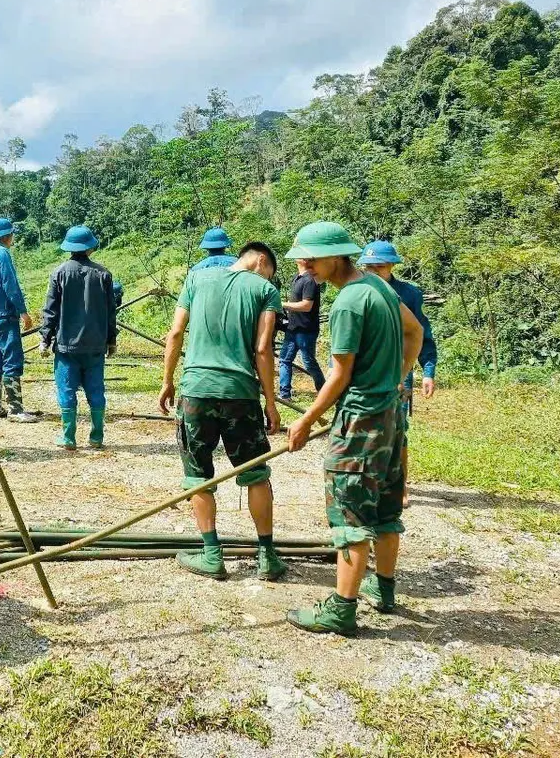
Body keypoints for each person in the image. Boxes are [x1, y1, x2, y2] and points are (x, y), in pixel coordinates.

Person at [282, 222, 424, 636]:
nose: (305, 265)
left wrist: (305, 419)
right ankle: (385, 590)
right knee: (385, 507)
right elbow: (415, 331)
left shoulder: (348, 302)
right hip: (391, 416)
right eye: (302, 258)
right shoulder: (379, 286)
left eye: (312, 258)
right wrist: (395, 378)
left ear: (337, 255)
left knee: (350, 511)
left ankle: (342, 611)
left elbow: (339, 375)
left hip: (361, 421)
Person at [158, 242, 287, 583]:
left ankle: (212, 555)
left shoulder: (196, 279)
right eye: (270, 272)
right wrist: (270, 402)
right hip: (240, 395)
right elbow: (262, 349)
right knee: (255, 473)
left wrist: (167, 381)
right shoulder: (265, 290)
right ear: (261, 260)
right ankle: (267, 556)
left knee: (198, 475)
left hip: (195, 391)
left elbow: (175, 333)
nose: (268, 278)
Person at [357, 240, 438, 508]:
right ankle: (368, 482)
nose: (373, 271)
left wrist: (428, 370)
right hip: (365, 371)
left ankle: (400, 486)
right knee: (364, 427)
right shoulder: (357, 290)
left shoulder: (409, 294)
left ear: (392, 265)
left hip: (399, 371)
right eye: (369, 267)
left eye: (379, 267)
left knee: (397, 431)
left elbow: (422, 334)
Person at [40, 225, 118, 450]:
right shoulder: (103, 274)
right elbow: (110, 311)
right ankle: (96, 437)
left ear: (69, 248)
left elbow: (51, 311)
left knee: (66, 389)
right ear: (90, 248)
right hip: (95, 345)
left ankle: (69, 437)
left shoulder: (59, 273)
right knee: (96, 390)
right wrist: (111, 340)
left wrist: (45, 339)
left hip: (67, 346)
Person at [0, 217, 38, 422]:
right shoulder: (1, 253)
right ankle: (16, 409)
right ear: (5, 236)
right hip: (3, 313)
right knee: (13, 358)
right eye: (11, 234)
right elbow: (10, 284)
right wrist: (23, 311)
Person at [278, 264, 324, 398]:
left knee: (309, 362)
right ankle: (285, 394)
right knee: (284, 360)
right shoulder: (297, 278)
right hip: (293, 328)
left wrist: (282, 304)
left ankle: (324, 391)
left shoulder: (310, 280)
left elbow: (306, 306)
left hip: (306, 330)